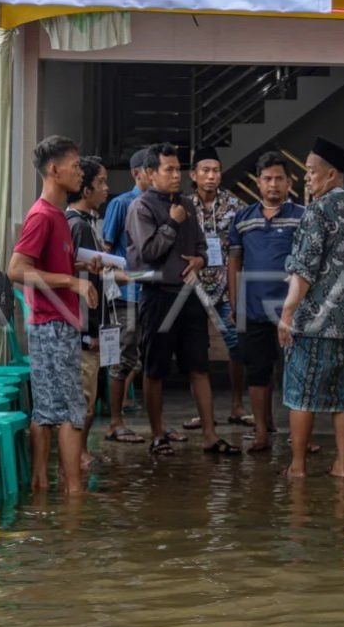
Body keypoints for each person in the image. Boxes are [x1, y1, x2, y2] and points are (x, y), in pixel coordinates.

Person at [126, 142, 240, 456]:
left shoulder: (187, 205)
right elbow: (149, 252)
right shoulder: (142, 208)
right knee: (155, 369)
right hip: (158, 297)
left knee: (199, 366)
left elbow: (203, 246)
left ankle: (209, 435)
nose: (176, 176)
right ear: (151, 174)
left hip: (190, 296)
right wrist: (173, 222)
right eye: (169, 170)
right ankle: (158, 434)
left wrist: (201, 260)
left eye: (178, 169)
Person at [7, 135, 102, 495]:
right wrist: (71, 282)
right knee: (71, 409)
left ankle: (44, 493)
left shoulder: (58, 217)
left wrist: (80, 265)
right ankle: (73, 493)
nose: (81, 173)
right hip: (51, 325)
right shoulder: (43, 216)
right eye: (76, 166)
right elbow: (16, 269)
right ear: (53, 169)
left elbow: (47, 262)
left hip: (54, 324)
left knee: (48, 409)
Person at [279, 137, 344, 479]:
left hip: (314, 322)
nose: (307, 179)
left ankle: (298, 465)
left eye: (312, 172)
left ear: (331, 175)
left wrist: (286, 315)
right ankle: (340, 465)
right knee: (343, 395)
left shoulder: (318, 210)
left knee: (302, 394)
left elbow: (304, 270)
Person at [227, 151, 306, 452]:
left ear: (289, 183)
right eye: (267, 179)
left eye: (279, 179)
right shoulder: (242, 219)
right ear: (258, 183)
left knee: (295, 374)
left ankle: (299, 436)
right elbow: (234, 263)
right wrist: (236, 305)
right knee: (258, 373)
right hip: (254, 310)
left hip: (293, 311)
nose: (273, 184)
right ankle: (262, 432)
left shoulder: (302, 216)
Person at [65, 156, 129, 466]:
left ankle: (81, 452)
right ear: (85, 188)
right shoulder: (77, 226)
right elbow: (79, 282)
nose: (107, 188)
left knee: (90, 397)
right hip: (84, 330)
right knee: (85, 400)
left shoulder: (87, 223)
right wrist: (87, 331)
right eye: (101, 182)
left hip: (94, 324)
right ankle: (76, 456)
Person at [183, 146, 252, 431]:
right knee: (196, 350)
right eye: (205, 171)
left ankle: (237, 406)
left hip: (226, 285)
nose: (211, 176)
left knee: (236, 345)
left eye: (216, 171)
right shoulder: (184, 206)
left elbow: (242, 247)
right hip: (195, 286)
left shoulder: (234, 205)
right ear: (194, 175)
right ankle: (202, 411)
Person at [100, 149, 150, 444]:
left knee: (144, 357)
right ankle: (115, 421)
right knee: (121, 356)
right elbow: (106, 252)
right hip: (125, 293)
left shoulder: (160, 205)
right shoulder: (121, 204)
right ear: (137, 173)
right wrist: (111, 290)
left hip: (150, 292)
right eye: (150, 169)